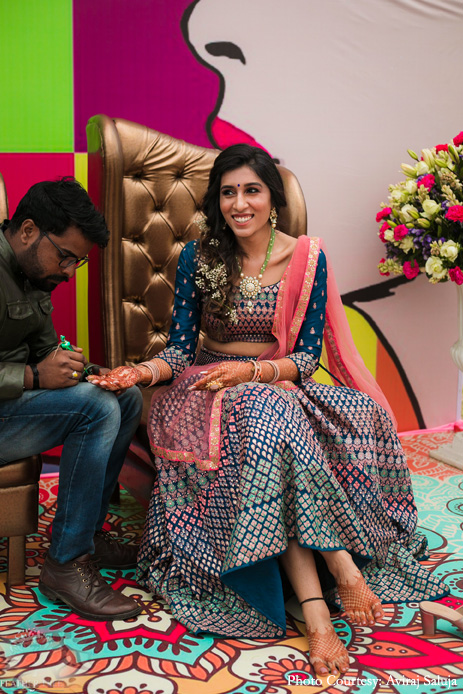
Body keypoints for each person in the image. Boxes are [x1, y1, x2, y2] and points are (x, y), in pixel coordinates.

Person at [90, 146, 447, 674]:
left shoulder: (307, 257)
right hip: (205, 386)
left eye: (251, 191)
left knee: (303, 415)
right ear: (217, 201)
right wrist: (139, 374)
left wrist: (253, 374)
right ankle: (340, 571)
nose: (240, 204)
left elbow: (305, 359)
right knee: (267, 416)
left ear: (272, 199)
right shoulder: (198, 258)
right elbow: (181, 351)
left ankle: (320, 610)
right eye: (228, 193)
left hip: (275, 382)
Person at [0, 178, 143, 621]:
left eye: (77, 262)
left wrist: (86, 372)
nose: (69, 272)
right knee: (94, 409)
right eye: (65, 257)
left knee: (124, 397)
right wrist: (32, 376)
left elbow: (44, 351)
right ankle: (66, 563)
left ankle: (87, 534)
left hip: (9, 409)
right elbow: (34, 372)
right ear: (28, 230)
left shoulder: (33, 274)